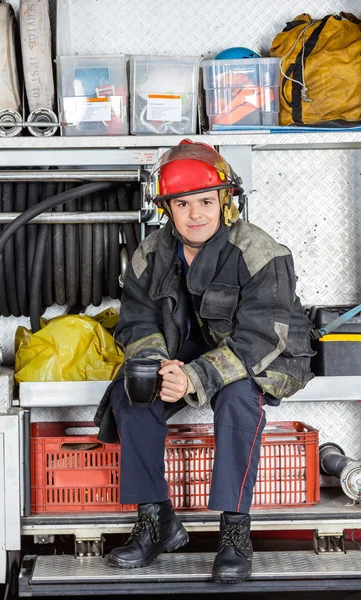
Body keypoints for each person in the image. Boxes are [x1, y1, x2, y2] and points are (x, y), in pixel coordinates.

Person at [94, 140, 314, 583]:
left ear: (225, 203)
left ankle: (235, 531)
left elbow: (259, 338)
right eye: (183, 203)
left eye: (206, 201)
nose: (196, 214)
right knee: (130, 390)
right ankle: (156, 519)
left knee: (236, 398)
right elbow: (135, 322)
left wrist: (194, 376)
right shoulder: (150, 254)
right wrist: (157, 366)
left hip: (263, 357)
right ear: (168, 209)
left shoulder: (260, 252)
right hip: (184, 356)